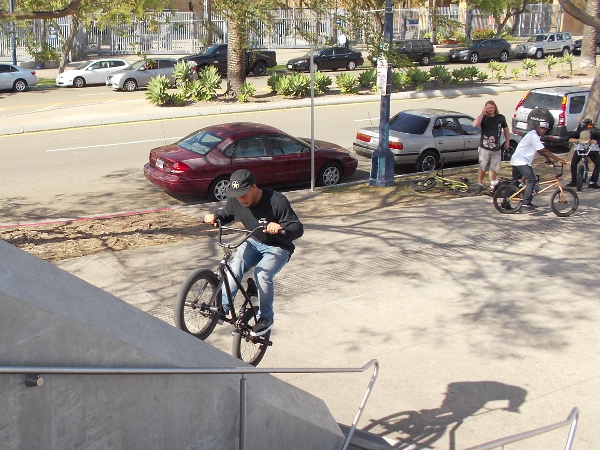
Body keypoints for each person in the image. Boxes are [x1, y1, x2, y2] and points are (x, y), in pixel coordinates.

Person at [204, 169, 304, 336]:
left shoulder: (277, 201)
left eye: (244, 194)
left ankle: (266, 318)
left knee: (262, 274)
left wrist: (281, 228)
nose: (241, 199)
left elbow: (297, 228)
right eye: (237, 195)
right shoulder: (236, 199)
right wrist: (216, 217)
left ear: (254, 187)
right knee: (235, 266)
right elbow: (227, 214)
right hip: (253, 241)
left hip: (278, 247)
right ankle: (223, 308)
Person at [509, 118, 567, 209]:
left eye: (545, 129)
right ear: (537, 127)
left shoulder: (534, 135)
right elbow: (543, 149)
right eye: (541, 128)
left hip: (516, 160)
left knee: (515, 182)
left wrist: (547, 158)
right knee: (531, 180)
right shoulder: (533, 136)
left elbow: (539, 150)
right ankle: (526, 202)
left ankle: (506, 201)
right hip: (522, 161)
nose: (543, 131)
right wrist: (557, 158)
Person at [473, 100, 511, 192]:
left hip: (496, 148)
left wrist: (507, 141)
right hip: (484, 148)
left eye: (492, 107)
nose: (490, 109)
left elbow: (506, 129)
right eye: (488, 108)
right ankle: (480, 183)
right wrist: (482, 113)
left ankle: (493, 184)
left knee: (494, 168)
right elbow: (475, 124)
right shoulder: (484, 118)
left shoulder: (500, 117)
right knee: (483, 166)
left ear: (495, 108)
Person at [565, 118, 600, 189]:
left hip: (592, 149)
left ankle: (593, 182)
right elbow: (568, 139)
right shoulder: (579, 130)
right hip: (580, 148)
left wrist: (592, 141)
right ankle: (574, 180)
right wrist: (579, 140)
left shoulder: (595, 131)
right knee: (574, 163)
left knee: (598, 163)